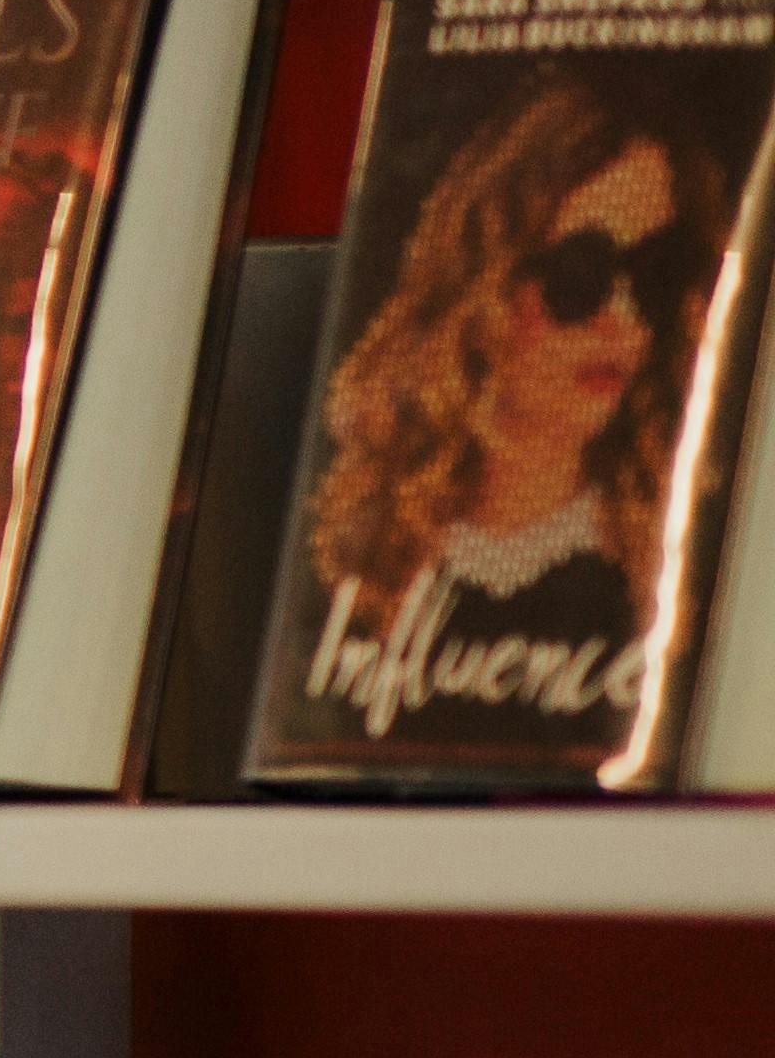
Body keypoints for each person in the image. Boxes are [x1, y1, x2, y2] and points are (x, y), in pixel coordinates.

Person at [288, 68, 732, 759]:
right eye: (580, 275)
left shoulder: (674, 549)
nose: (622, 321)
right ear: (486, 282)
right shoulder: (368, 540)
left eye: (653, 275)